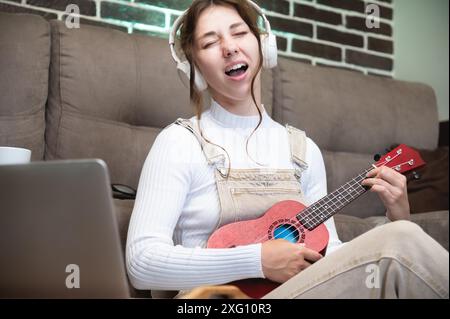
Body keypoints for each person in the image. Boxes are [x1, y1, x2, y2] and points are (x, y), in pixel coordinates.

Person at [126, 0, 449, 299]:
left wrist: (397, 219)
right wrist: (258, 260)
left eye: (239, 33)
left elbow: (330, 256)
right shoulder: (180, 142)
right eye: (210, 43)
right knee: (401, 242)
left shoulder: (303, 149)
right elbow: (142, 263)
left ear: (264, 46)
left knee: (400, 237)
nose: (229, 47)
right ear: (194, 68)